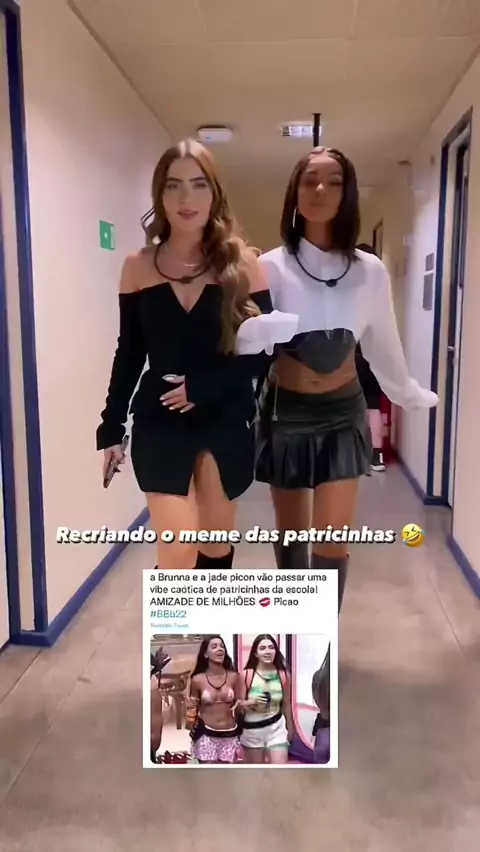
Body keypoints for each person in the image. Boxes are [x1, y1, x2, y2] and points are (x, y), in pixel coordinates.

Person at [96, 139, 292, 571]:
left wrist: (203, 387)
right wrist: (111, 426)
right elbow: (129, 351)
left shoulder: (244, 265)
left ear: (215, 192)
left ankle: (207, 618)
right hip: (160, 416)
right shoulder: (138, 265)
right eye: (174, 186)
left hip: (224, 414)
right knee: (179, 549)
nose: (186, 198)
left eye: (199, 185)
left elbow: (267, 348)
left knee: (215, 548)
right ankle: (174, 617)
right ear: (160, 195)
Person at [256, 146, 438, 603]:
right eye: (309, 180)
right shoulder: (269, 267)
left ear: (347, 193)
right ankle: (295, 632)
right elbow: (246, 346)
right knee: (292, 540)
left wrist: (406, 392)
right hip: (286, 411)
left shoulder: (368, 270)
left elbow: (382, 342)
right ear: (294, 192)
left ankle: (322, 639)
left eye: (333, 181)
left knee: (332, 543)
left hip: (342, 412)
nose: (320, 189)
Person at [186, 635, 244, 764]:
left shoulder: (235, 677)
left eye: (222, 646)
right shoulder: (197, 679)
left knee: (227, 773)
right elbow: (191, 708)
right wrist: (190, 720)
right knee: (209, 774)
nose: (220, 649)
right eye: (214, 646)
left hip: (230, 734)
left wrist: (242, 704)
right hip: (206, 734)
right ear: (205, 654)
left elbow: (242, 702)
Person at [238, 634, 293, 765]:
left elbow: (286, 703)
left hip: (277, 727)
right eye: (262, 648)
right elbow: (238, 705)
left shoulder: (283, 674)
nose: (267, 651)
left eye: (271, 647)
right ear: (255, 653)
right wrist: (250, 702)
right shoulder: (247, 674)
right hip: (252, 730)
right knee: (257, 772)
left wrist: (291, 727)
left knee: (280, 769)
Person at [355, 243, 386, 473]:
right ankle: (377, 456)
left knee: (348, 404)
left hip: (350, 356)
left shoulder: (345, 287)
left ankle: (353, 452)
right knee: (373, 405)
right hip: (373, 356)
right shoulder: (379, 289)